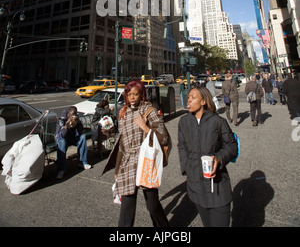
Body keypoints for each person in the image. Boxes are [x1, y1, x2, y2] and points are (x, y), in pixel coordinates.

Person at [103, 80, 170, 227]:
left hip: (146, 161)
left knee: (152, 205)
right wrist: (117, 170)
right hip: (128, 163)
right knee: (127, 206)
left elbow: (164, 138)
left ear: (142, 95)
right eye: (129, 94)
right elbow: (121, 144)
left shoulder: (149, 111)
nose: (132, 97)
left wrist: (145, 127)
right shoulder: (124, 113)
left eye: (135, 94)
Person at [178, 86, 238, 227]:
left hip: (217, 186)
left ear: (204, 101)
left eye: (193, 98)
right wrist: (187, 167)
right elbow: (182, 146)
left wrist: (219, 158)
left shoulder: (218, 122)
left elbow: (232, 146)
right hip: (195, 186)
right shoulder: (184, 122)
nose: (189, 100)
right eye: (188, 98)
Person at [56, 105, 91, 179]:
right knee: (62, 143)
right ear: (68, 114)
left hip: (72, 137)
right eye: (72, 115)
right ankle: (61, 169)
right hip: (62, 138)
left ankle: (83, 162)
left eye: (74, 115)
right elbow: (62, 135)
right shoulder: (62, 119)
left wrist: (78, 123)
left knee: (83, 137)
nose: (73, 116)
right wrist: (66, 125)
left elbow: (80, 132)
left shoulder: (76, 117)